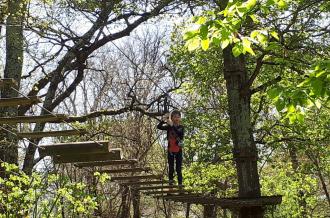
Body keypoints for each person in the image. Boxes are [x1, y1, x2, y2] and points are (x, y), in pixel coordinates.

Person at [157, 110, 184, 187]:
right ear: (171, 118)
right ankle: (170, 184)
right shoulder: (169, 127)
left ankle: (180, 184)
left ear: (180, 119)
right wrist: (164, 119)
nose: (176, 118)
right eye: (175, 117)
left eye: (178, 117)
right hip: (170, 149)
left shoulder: (181, 127)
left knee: (178, 168)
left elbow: (180, 134)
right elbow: (159, 127)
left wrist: (172, 125)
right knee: (171, 167)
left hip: (178, 149)